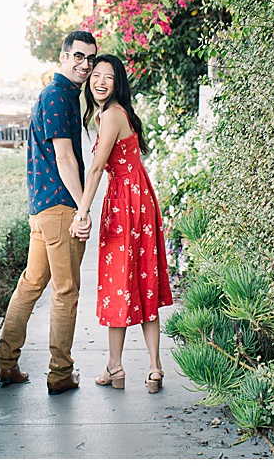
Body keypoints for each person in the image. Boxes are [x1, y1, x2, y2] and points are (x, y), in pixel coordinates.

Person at [0, 30, 98, 396]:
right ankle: (60, 373)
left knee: (31, 284)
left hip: (44, 208)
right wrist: (83, 208)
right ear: (64, 57)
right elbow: (65, 157)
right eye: (79, 57)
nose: (85, 65)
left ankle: (5, 364)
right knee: (65, 290)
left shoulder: (65, 96)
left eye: (90, 59)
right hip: (59, 208)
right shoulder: (57, 97)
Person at [69, 54, 174, 393]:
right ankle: (146, 368)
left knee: (121, 282)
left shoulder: (112, 116)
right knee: (142, 280)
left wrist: (81, 213)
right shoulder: (112, 114)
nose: (99, 81)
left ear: (118, 83)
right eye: (95, 75)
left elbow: (97, 168)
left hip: (127, 203)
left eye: (108, 77)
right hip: (134, 199)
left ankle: (121, 367)